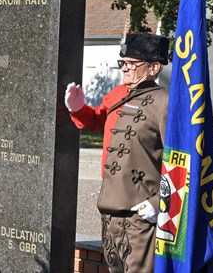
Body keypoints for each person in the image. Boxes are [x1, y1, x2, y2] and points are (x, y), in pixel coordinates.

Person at [64, 33, 170, 273]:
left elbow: (179, 160)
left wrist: (158, 201)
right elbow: (95, 120)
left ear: (154, 67)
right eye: (123, 62)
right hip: (110, 207)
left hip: (141, 211)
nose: (125, 68)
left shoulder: (165, 102)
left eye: (133, 63)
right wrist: (79, 108)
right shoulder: (118, 94)